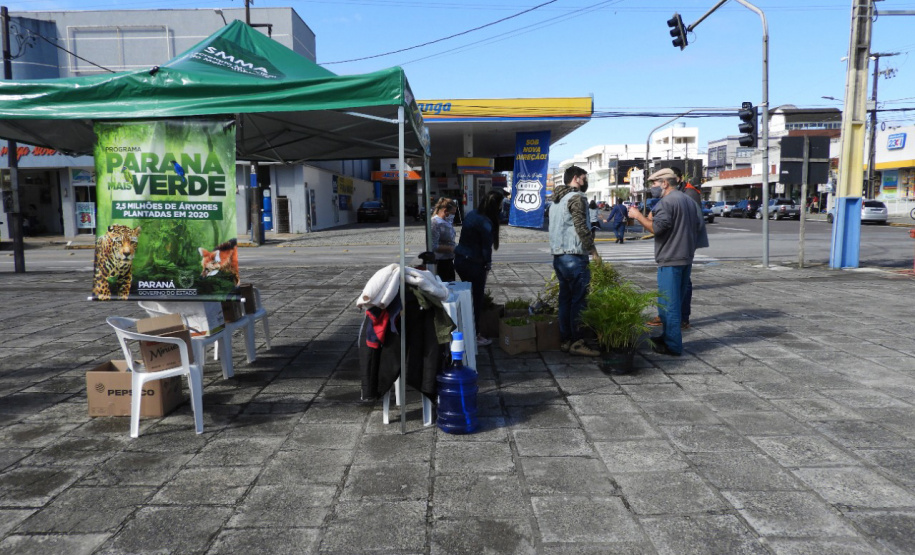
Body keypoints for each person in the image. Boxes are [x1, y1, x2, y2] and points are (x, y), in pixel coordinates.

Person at [627, 168, 702, 356]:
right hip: (685, 257)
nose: (653, 187)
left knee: (669, 305)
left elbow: (656, 228)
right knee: (673, 301)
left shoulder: (667, 202)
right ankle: (667, 337)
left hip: (670, 258)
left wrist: (638, 216)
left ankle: (673, 345)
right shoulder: (688, 200)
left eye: (654, 183)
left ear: (665, 183)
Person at [549, 166, 601, 357]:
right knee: (579, 300)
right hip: (574, 255)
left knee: (565, 299)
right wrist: (593, 252)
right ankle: (578, 341)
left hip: (559, 256)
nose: (585, 181)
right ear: (577, 179)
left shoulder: (556, 200)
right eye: (584, 178)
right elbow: (580, 226)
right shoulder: (576, 198)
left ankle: (566, 340)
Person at [454, 190, 505, 346]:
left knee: (467, 298)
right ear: (496, 206)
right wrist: (487, 264)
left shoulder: (472, 214)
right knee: (476, 299)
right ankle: (474, 335)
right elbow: (486, 249)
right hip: (474, 264)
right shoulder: (486, 222)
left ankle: (467, 331)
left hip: (461, 260)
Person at [430, 197, 457, 282]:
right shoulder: (435, 223)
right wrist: (450, 248)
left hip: (448, 259)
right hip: (440, 261)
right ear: (445, 211)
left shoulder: (446, 221)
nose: (453, 215)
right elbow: (433, 246)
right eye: (453, 213)